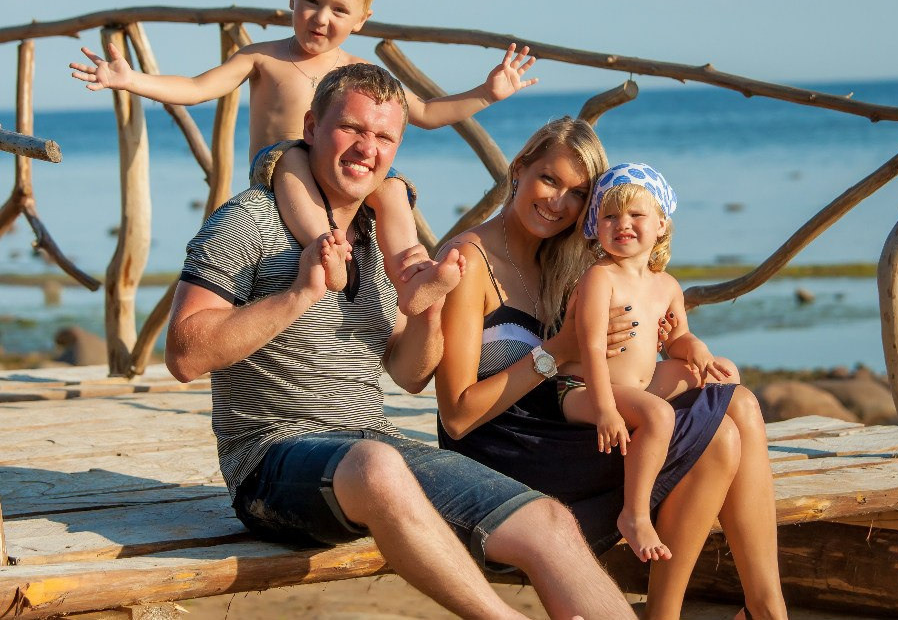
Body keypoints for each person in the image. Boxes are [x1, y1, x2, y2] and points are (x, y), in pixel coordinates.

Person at [165, 64, 635, 620]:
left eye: (384, 136)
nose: (368, 148)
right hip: (270, 460)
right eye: (352, 129)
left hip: (373, 445)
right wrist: (296, 296)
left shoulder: (377, 238)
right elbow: (184, 354)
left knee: (550, 522)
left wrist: (428, 308)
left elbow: (410, 375)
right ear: (312, 126)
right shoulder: (249, 219)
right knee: (376, 464)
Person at [435, 117, 788, 620]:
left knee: (740, 403)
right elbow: (456, 417)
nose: (559, 202)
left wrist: (678, 344)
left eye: (578, 193)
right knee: (720, 438)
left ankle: (765, 607)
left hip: (559, 426)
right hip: (503, 450)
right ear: (519, 169)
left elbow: (636, 335)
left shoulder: (564, 259)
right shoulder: (471, 261)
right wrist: (558, 349)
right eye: (549, 180)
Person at [70, 0, 537, 315]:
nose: (320, 18)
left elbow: (428, 114)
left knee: (393, 189)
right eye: (310, 1)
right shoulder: (263, 58)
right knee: (294, 154)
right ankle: (327, 251)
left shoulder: (359, 73)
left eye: (338, 9)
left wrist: (487, 92)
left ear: (361, 19)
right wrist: (131, 79)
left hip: (343, 174)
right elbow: (197, 87)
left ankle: (411, 272)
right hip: (281, 170)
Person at [562, 162, 734, 563]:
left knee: (726, 375)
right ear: (596, 228)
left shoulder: (666, 285)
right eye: (609, 216)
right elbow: (587, 346)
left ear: (660, 224)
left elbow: (675, 339)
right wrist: (604, 409)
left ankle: (707, 466)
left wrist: (697, 350)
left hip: (636, 387)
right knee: (657, 415)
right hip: (584, 389)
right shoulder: (599, 278)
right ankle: (634, 514)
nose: (623, 223)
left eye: (636, 214)